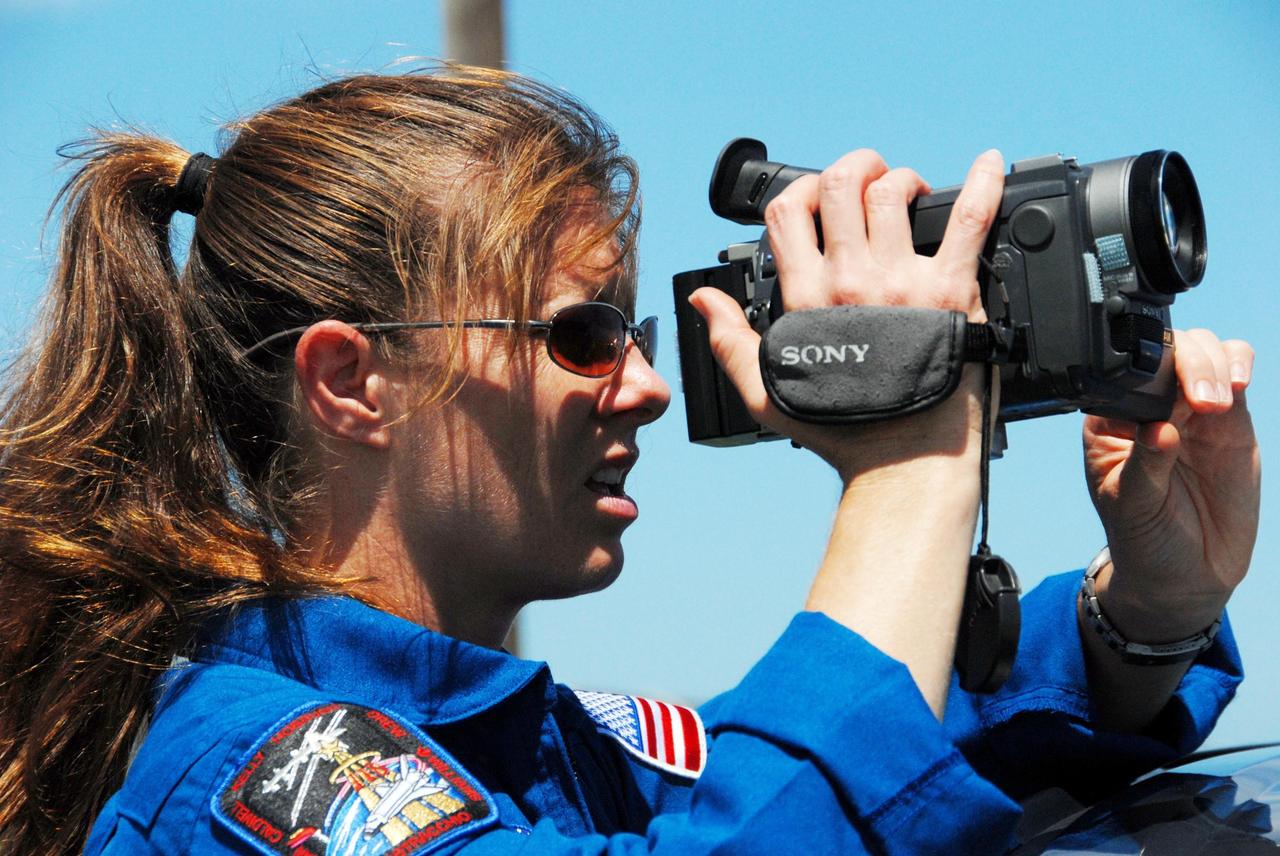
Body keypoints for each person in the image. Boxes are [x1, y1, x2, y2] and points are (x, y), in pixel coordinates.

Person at [0, 65, 1258, 855]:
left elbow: (877, 772)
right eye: (581, 333)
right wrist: (909, 461)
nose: (647, 385)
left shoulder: (552, 745)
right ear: (349, 381)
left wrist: (1144, 614)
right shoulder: (259, 772)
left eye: (636, 333)